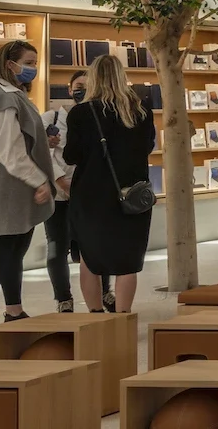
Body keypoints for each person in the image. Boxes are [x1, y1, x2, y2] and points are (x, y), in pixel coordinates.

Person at [0, 39, 52, 338]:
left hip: (17, 189)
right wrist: (39, 179)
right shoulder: (0, 99)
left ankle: (14, 310)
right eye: (28, 62)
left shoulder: (14, 96)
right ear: (9, 64)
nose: (33, 68)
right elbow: (8, 150)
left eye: (34, 62)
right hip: (3, 189)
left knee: (15, 250)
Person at [64, 52, 156, 311]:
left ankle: (95, 318)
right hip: (132, 196)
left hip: (91, 196)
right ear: (121, 77)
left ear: (93, 79)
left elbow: (72, 156)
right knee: (128, 261)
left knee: (89, 259)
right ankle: (123, 318)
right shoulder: (141, 111)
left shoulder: (81, 114)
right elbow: (147, 147)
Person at [41, 104, 76, 313]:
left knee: (91, 248)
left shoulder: (93, 115)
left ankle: (103, 293)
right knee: (57, 248)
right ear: (70, 90)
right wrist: (60, 180)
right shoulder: (50, 118)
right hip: (57, 196)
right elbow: (37, 149)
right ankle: (64, 299)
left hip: (84, 192)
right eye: (79, 87)